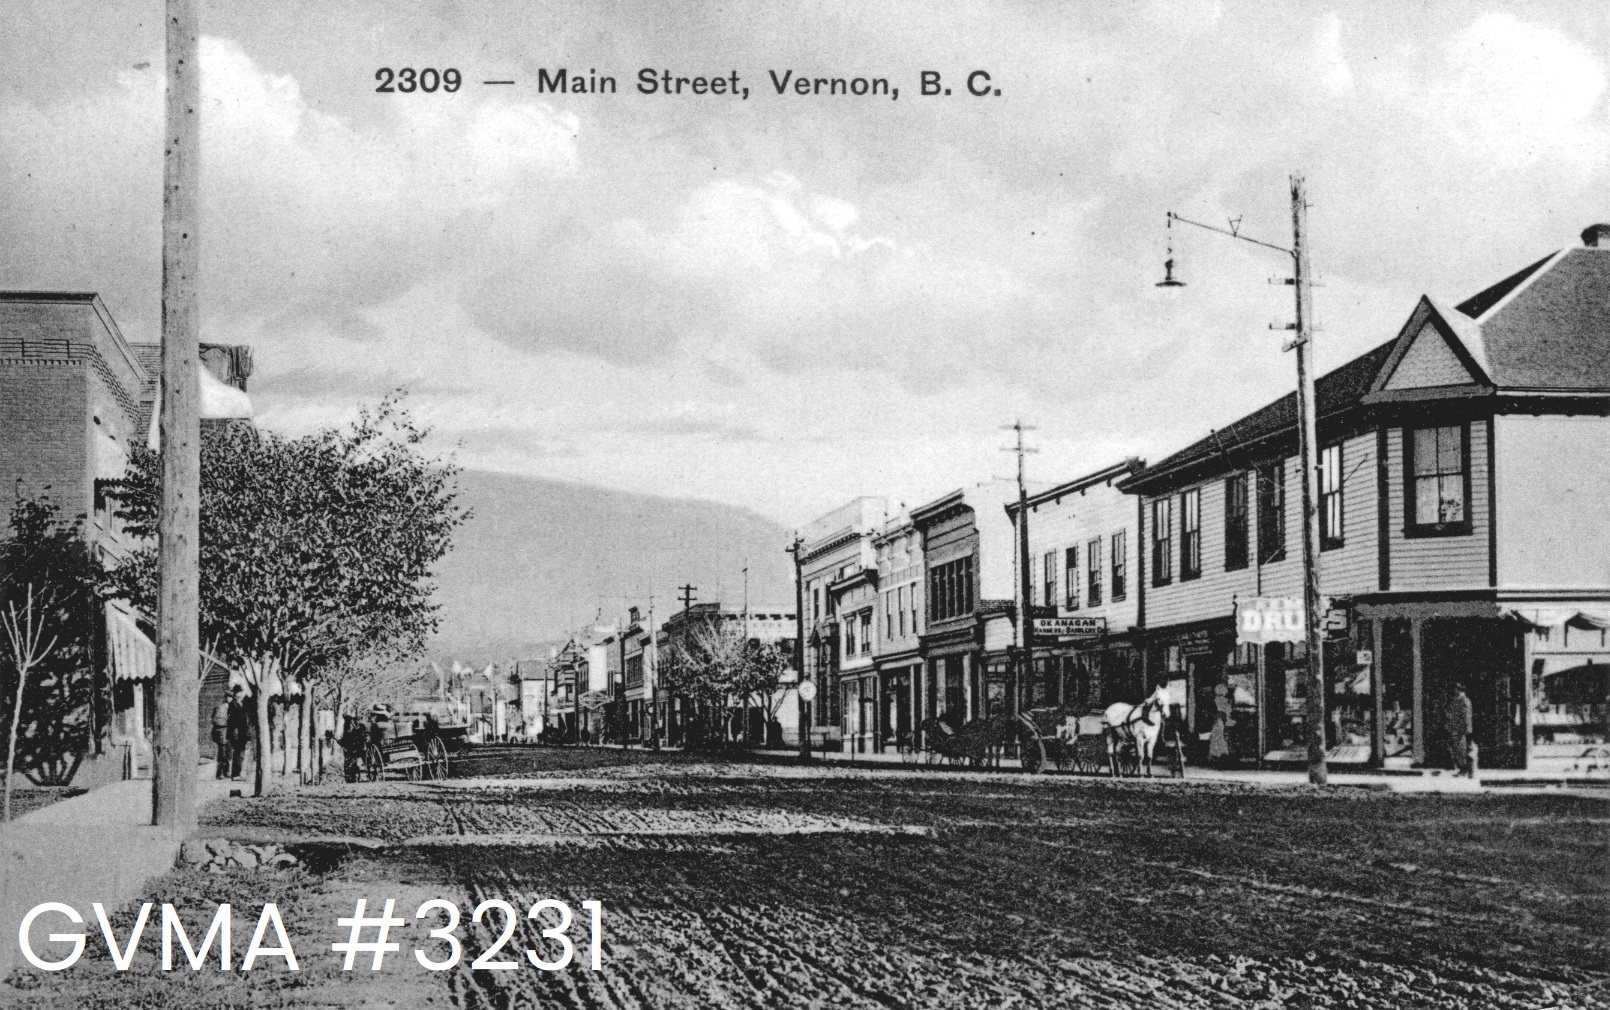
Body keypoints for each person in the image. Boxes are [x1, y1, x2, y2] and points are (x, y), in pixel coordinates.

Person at [1446, 683, 1475, 776]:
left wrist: (1463, 729)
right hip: (1455, 728)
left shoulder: (1464, 701)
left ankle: (1465, 769)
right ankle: (1463, 769)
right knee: (1457, 750)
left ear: (1460, 690)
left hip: (1460, 730)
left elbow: (1465, 716)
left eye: (1456, 689)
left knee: (1461, 750)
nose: (1455, 690)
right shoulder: (1456, 700)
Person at [226, 686, 252, 780]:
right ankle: (236, 774)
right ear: (236, 694)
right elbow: (233, 721)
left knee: (240, 753)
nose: (241, 694)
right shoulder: (233, 704)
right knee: (238, 753)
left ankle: (237, 773)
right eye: (239, 692)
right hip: (237, 732)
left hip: (242, 732)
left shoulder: (239, 703)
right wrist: (234, 732)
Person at [1207, 683, 1233, 766]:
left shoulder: (1217, 699)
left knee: (1217, 739)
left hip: (1219, 722)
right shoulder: (1221, 699)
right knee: (1220, 738)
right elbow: (1224, 711)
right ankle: (1220, 756)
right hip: (1221, 721)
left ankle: (1217, 756)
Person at [210, 696, 232, 778]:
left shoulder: (218, 707)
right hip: (224, 731)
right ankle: (222, 773)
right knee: (223, 753)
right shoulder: (227, 708)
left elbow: (213, 720)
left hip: (219, 731)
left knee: (223, 752)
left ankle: (223, 772)